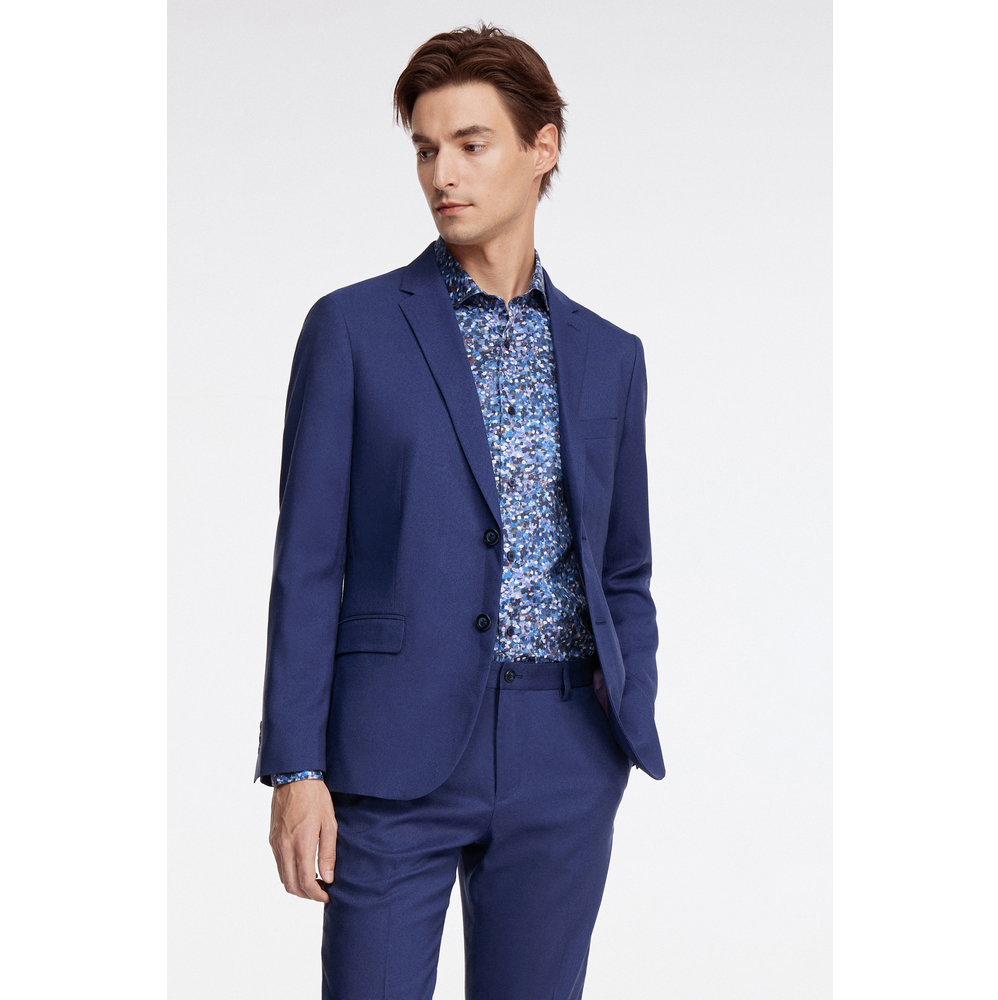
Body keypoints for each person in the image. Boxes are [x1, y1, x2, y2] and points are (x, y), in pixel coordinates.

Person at [255, 23, 665, 999]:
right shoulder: (352, 328)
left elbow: (623, 565)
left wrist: (623, 712)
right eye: (426, 149)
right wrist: (295, 767)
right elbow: (307, 562)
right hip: (389, 752)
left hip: (564, 748)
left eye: (471, 144)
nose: (442, 173)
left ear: (542, 147)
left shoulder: (610, 356)